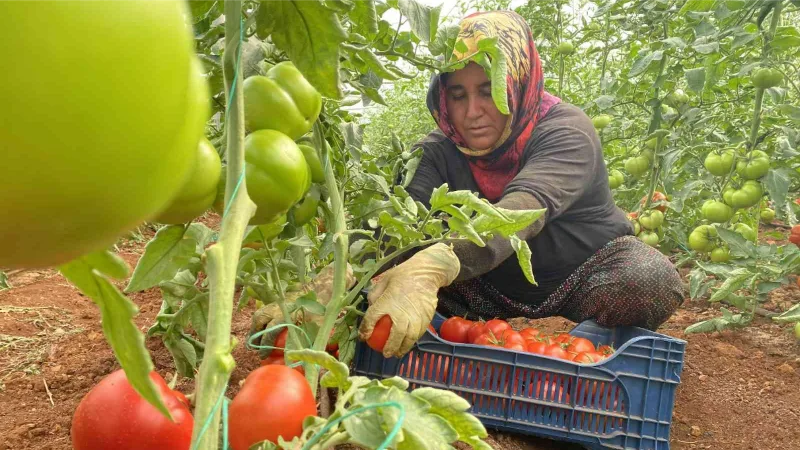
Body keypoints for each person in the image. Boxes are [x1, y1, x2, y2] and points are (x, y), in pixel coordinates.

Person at [357, 10, 686, 358]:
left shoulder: (565, 131)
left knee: (649, 279)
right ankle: (464, 333)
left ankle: (590, 345)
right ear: (442, 98)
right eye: (457, 95)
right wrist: (347, 273)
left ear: (517, 82)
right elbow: (395, 229)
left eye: (488, 90)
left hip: (577, 276)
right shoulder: (436, 152)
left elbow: (525, 208)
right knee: (381, 288)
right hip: (480, 283)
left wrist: (433, 266)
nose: (472, 111)